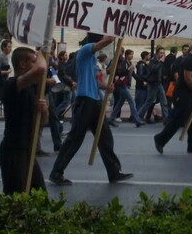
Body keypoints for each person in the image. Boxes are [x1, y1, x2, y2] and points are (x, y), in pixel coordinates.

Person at [49, 33, 133, 186]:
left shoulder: (91, 58)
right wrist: (114, 35)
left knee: (105, 137)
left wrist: (106, 87)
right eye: (101, 39)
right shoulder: (86, 49)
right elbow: (101, 44)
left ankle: (114, 172)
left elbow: (94, 80)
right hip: (85, 100)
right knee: (75, 139)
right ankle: (56, 172)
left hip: (94, 101)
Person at [0, 47, 48, 194]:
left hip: (28, 150)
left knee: (40, 197)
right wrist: (42, 51)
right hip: (13, 151)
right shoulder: (12, 85)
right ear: (22, 64)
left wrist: (44, 111)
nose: (36, 63)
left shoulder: (32, 89)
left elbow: (43, 122)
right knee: (16, 199)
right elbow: (41, 69)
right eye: (33, 61)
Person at [137, 46, 168, 123]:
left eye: (163, 53)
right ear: (157, 53)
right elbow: (153, 69)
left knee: (164, 101)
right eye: (161, 53)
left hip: (159, 83)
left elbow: (161, 71)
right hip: (153, 84)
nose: (162, 54)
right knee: (149, 101)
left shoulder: (160, 61)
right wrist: (160, 62)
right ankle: (137, 117)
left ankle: (167, 119)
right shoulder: (153, 60)